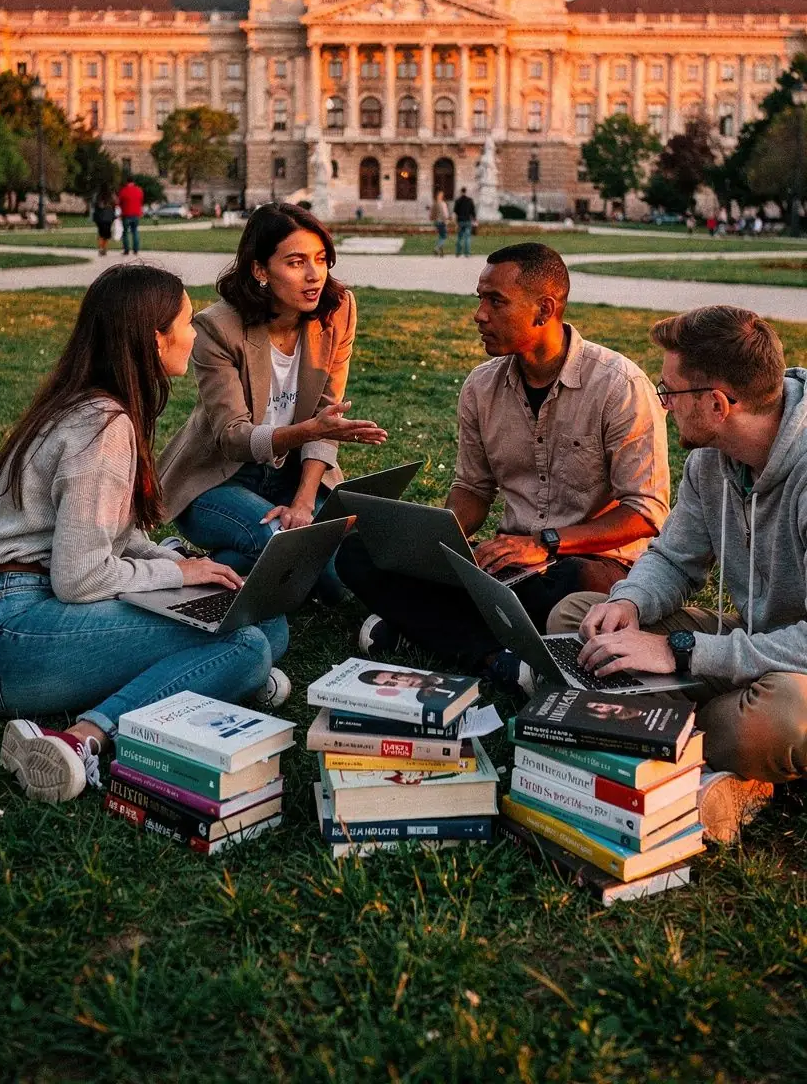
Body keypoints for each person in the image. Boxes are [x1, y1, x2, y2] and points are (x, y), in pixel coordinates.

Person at [0, 264, 289, 806]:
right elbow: (80, 577)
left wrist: (189, 571)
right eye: (185, 321)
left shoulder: (93, 405)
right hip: (13, 629)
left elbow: (114, 537)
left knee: (264, 620)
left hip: (26, 610)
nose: (195, 334)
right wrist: (176, 570)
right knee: (246, 647)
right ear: (153, 338)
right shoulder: (102, 428)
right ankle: (81, 738)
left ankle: (213, 676)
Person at [336, 242, 669, 688]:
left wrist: (546, 543)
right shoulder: (481, 387)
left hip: (590, 564)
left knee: (560, 589)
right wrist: (426, 540)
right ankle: (499, 654)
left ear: (543, 310)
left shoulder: (619, 385)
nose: (479, 315)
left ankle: (435, 632)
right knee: (360, 553)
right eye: (480, 299)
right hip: (509, 563)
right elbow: (473, 490)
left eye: (496, 301)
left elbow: (646, 511)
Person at [548, 305, 807, 841]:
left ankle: (635, 726)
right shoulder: (709, 461)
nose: (662, 406)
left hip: (795, 674)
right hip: (753, 643)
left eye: (669, 393)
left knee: (779, 720)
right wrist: (630, 604)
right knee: (581, 616)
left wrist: (682, 651)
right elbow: (672, 558)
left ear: (716, 403)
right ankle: (702, 757)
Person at [158, 203, 386, 586]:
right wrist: (310, 430)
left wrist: (302, 500)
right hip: (220, 477)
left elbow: (327, 414)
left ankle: (191, 562)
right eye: (296, 263)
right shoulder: (216, 328)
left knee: (337, 575)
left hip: (293, 473)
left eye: (321, 259)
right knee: (283, 543)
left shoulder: (339, 309)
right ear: (260, 270)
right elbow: (233, 438)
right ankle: (192, 563)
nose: (314, 276)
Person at [118, 176, 144, 256]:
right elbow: (141, 200)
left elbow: (120, 202)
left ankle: (126, 250)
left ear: (127, 182)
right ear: (133, 182)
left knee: (125, 232)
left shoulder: (123, 190)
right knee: (135, 231)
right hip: (136, 214)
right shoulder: (139, 190)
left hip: (126, 214)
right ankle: (135, 250)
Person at [453, 187, 477, 257]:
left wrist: (456, 221)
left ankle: (458, 252)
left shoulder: (458, 200)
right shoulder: (470, 200)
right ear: (466, 192)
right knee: (467, 237)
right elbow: (472, 211)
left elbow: (455, 212)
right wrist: (475, 219)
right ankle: (467, 253)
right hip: (467, 221)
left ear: (461, 192)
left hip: (460, 221)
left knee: (459, 237)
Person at [92, 189, 116, 257]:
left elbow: (95, 207)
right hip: (108, 218)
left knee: (101, 234)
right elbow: (115, 204)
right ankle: (104, 248)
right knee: (106, 235)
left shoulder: (98, 197)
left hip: (100, 218)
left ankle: (101, 248)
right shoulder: (110, 198)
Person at [430, 189, 449, 257]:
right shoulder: (441, 204)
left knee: (441, 236)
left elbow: (432, 213)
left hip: (437, 221)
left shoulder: (435, 203)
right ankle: (437, 248)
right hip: (441, 221)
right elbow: (444, 214)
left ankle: (441, 251)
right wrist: (446, 220)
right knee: (444, 236)